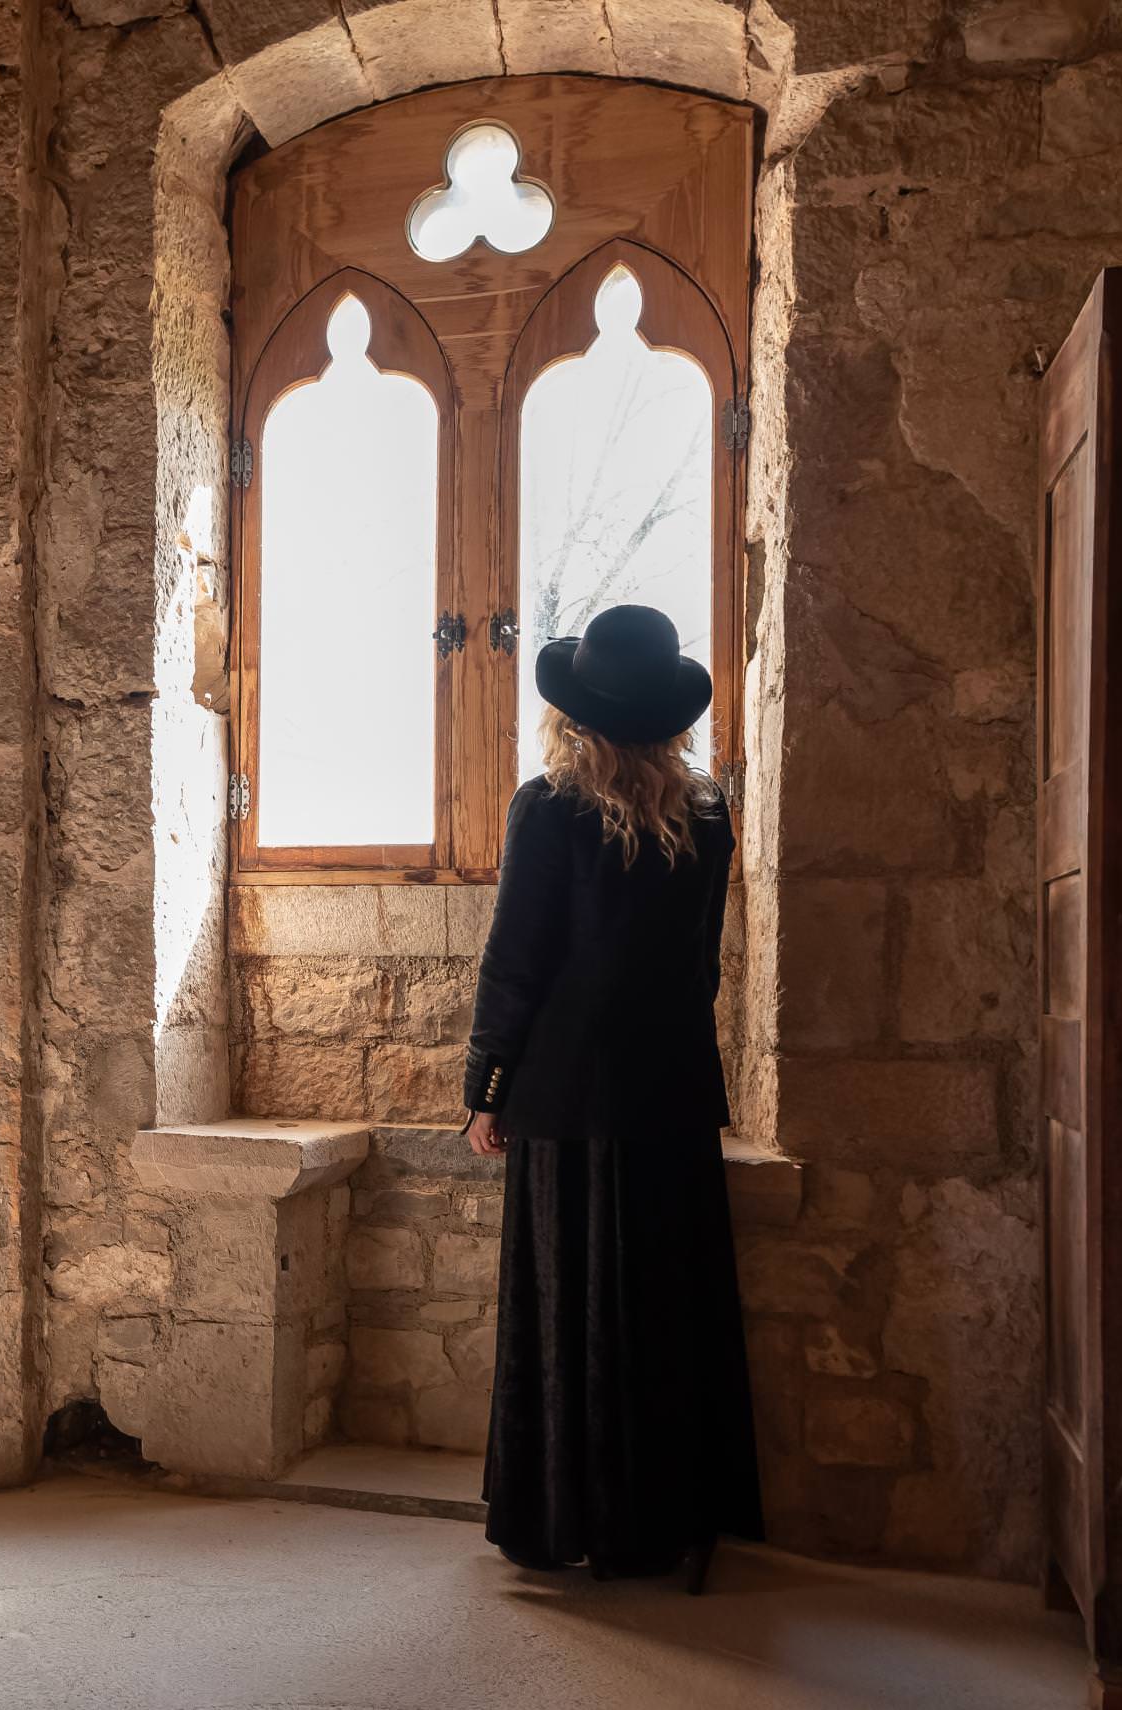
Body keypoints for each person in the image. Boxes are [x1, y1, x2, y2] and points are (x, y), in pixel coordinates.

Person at [462, 603, 762, 1593]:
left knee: (567, 1303)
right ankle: (660, 1521)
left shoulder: (544, 808)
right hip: (668, 1084)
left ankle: (566, 1520)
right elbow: (695, 970)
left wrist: (485, 1088)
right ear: (666, 717)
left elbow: (516, 962)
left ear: (577, 714)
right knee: (659, 1305)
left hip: (564, 1085)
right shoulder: (708, 813)